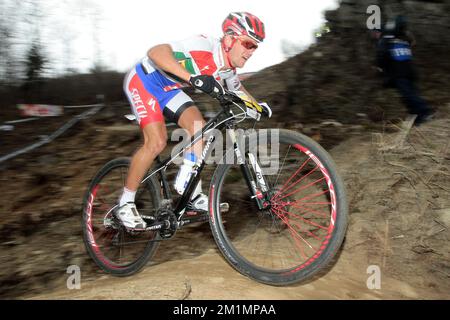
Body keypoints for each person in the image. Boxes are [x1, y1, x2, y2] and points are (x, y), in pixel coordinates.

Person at [118, 12, 266, 230]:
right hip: (144, 80)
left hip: (169, 90)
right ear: (228, 39)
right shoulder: (203, 45)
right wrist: (191, 78)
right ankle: (125, 204)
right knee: (156, 142)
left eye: (255, 47)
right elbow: (156, 52)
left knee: (200, 126)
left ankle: (191, 196)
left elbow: (237, 89)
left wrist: (257, 106)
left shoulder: (227, 69)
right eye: (247, 44)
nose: (250, 52)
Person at [376, 15, 434, 126]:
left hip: (400, 73)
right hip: (409, 71)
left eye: (377, 32)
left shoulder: (385, 41)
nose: (376, 35)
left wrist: (380, 69)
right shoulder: (403, 38)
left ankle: (425, 112)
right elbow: (412, 43)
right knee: (410, 94)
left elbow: (381, 56)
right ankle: (417, 118)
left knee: (408, 95)